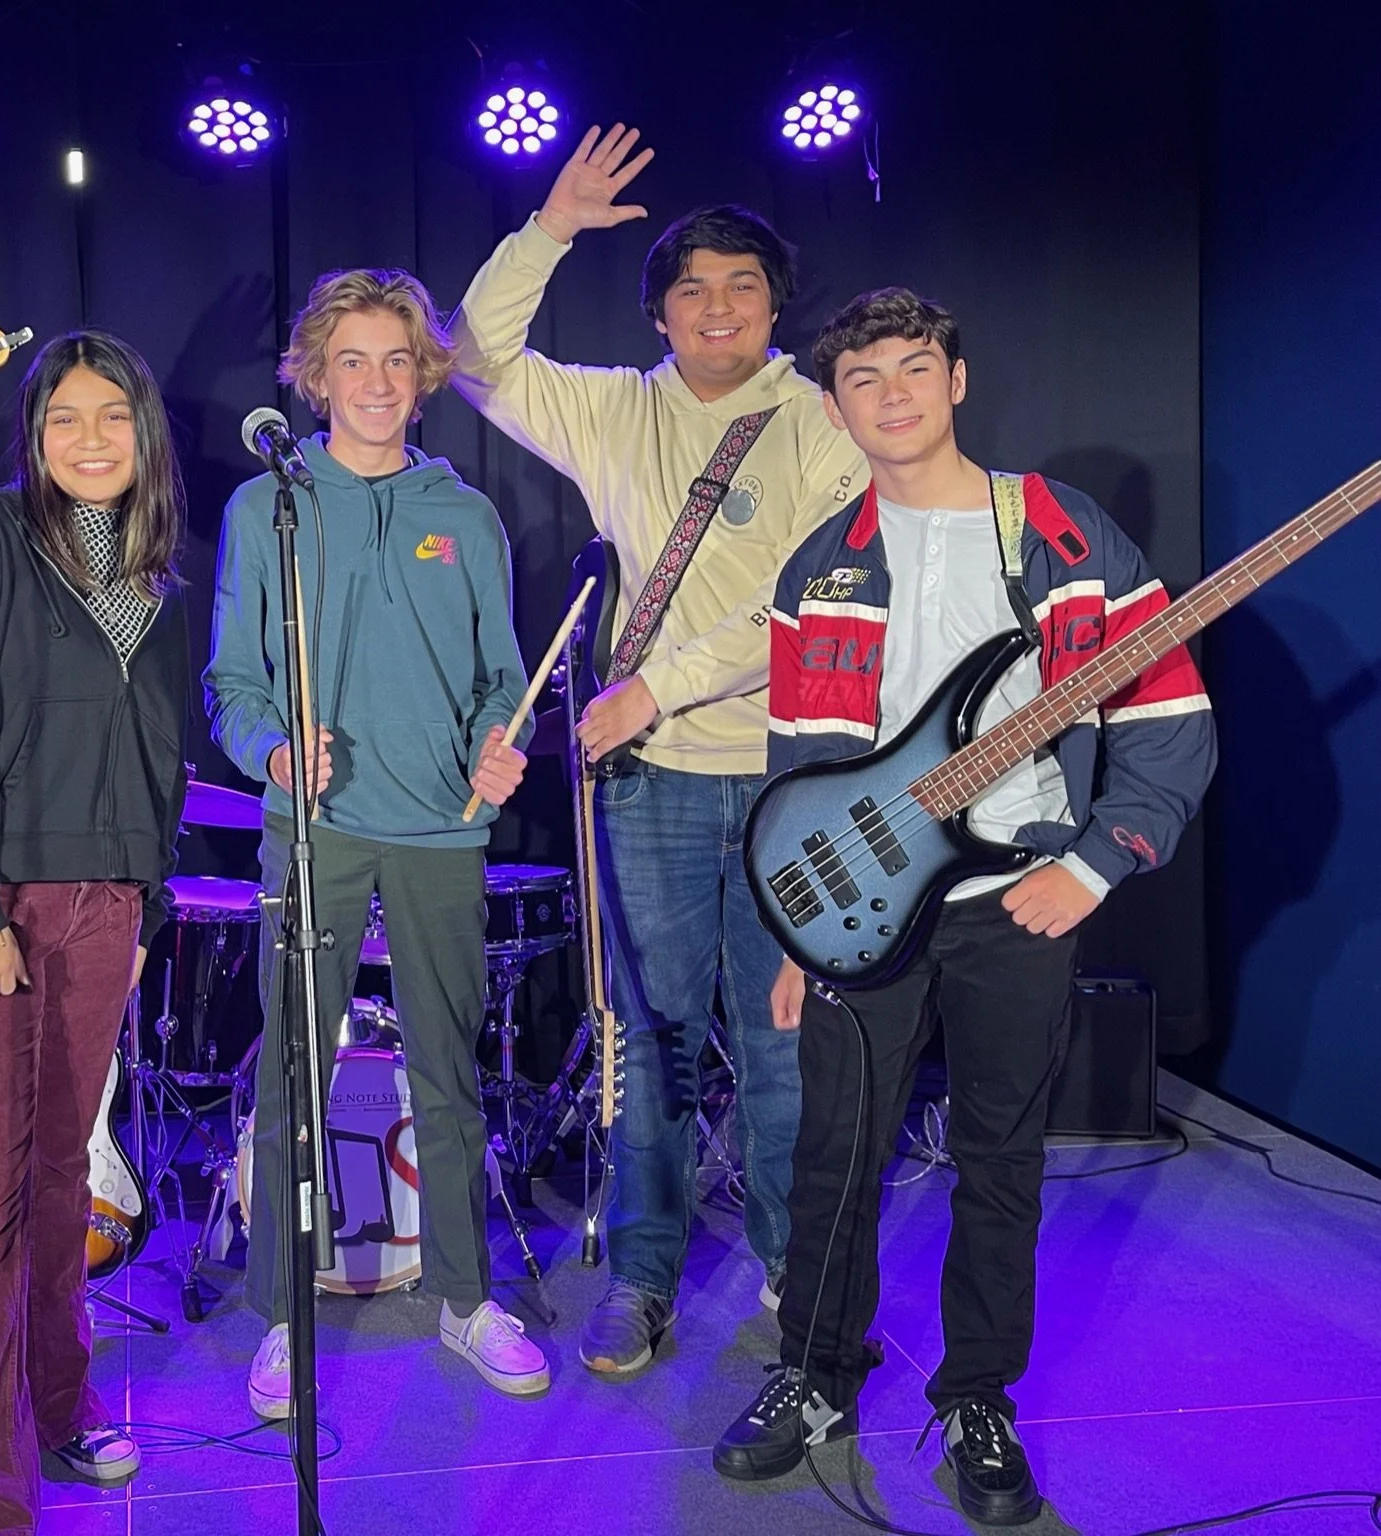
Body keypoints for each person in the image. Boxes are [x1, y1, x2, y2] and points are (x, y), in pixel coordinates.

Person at [711, 289, 1214, 1525]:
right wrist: (797, 925)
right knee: (836, 1154)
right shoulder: (818, 563)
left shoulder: (1059, 532)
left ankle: (977, 1392)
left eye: (915, 366)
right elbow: (802, 768)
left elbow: (1166, 716)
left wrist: (1094, 864)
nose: (893, 391)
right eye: (865, 376)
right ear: (836, 407)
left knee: (1000, 1160)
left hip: (1013, 902)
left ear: (958, 379)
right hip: (863, 913)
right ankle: (816, 1374)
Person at [451, 124, 869, 1374]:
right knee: (654, 1036)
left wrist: (659, 687)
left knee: (787, 1045)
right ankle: (642, 1278)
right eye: (694, 286)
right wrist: (551, 228)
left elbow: (807, 600)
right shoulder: (614, 412)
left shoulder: (820, 420)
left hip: (795, 776)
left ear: (775, 305)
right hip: (653, 790)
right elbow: (472, 359)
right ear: (662, 315)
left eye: (744, 284)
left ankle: (798, 1274)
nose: (719, 305)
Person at [205, 268, 549, 1415]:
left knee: (448, 1078)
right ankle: (281, 1318)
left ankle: (463, 1296)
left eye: (397, 360)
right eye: (351, 360)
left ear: (425, 376)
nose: (376, 382)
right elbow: (232, 679)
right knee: (291, 1084)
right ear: (313, 376)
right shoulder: (268, 506)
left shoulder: (465, 515)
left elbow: (506, 676)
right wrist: (269, 752)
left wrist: (507, 740)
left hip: (444, 832)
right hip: (313, 832)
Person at [0, 331, 190, 1534]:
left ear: (144, 431)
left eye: (110, 415)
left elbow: (150, 746)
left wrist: (145, 887)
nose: (89, 439)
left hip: (105, 901)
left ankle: (59, 1410)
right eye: (62, 418)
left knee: (66, 1179)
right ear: (31, 435)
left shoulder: (160, 567)